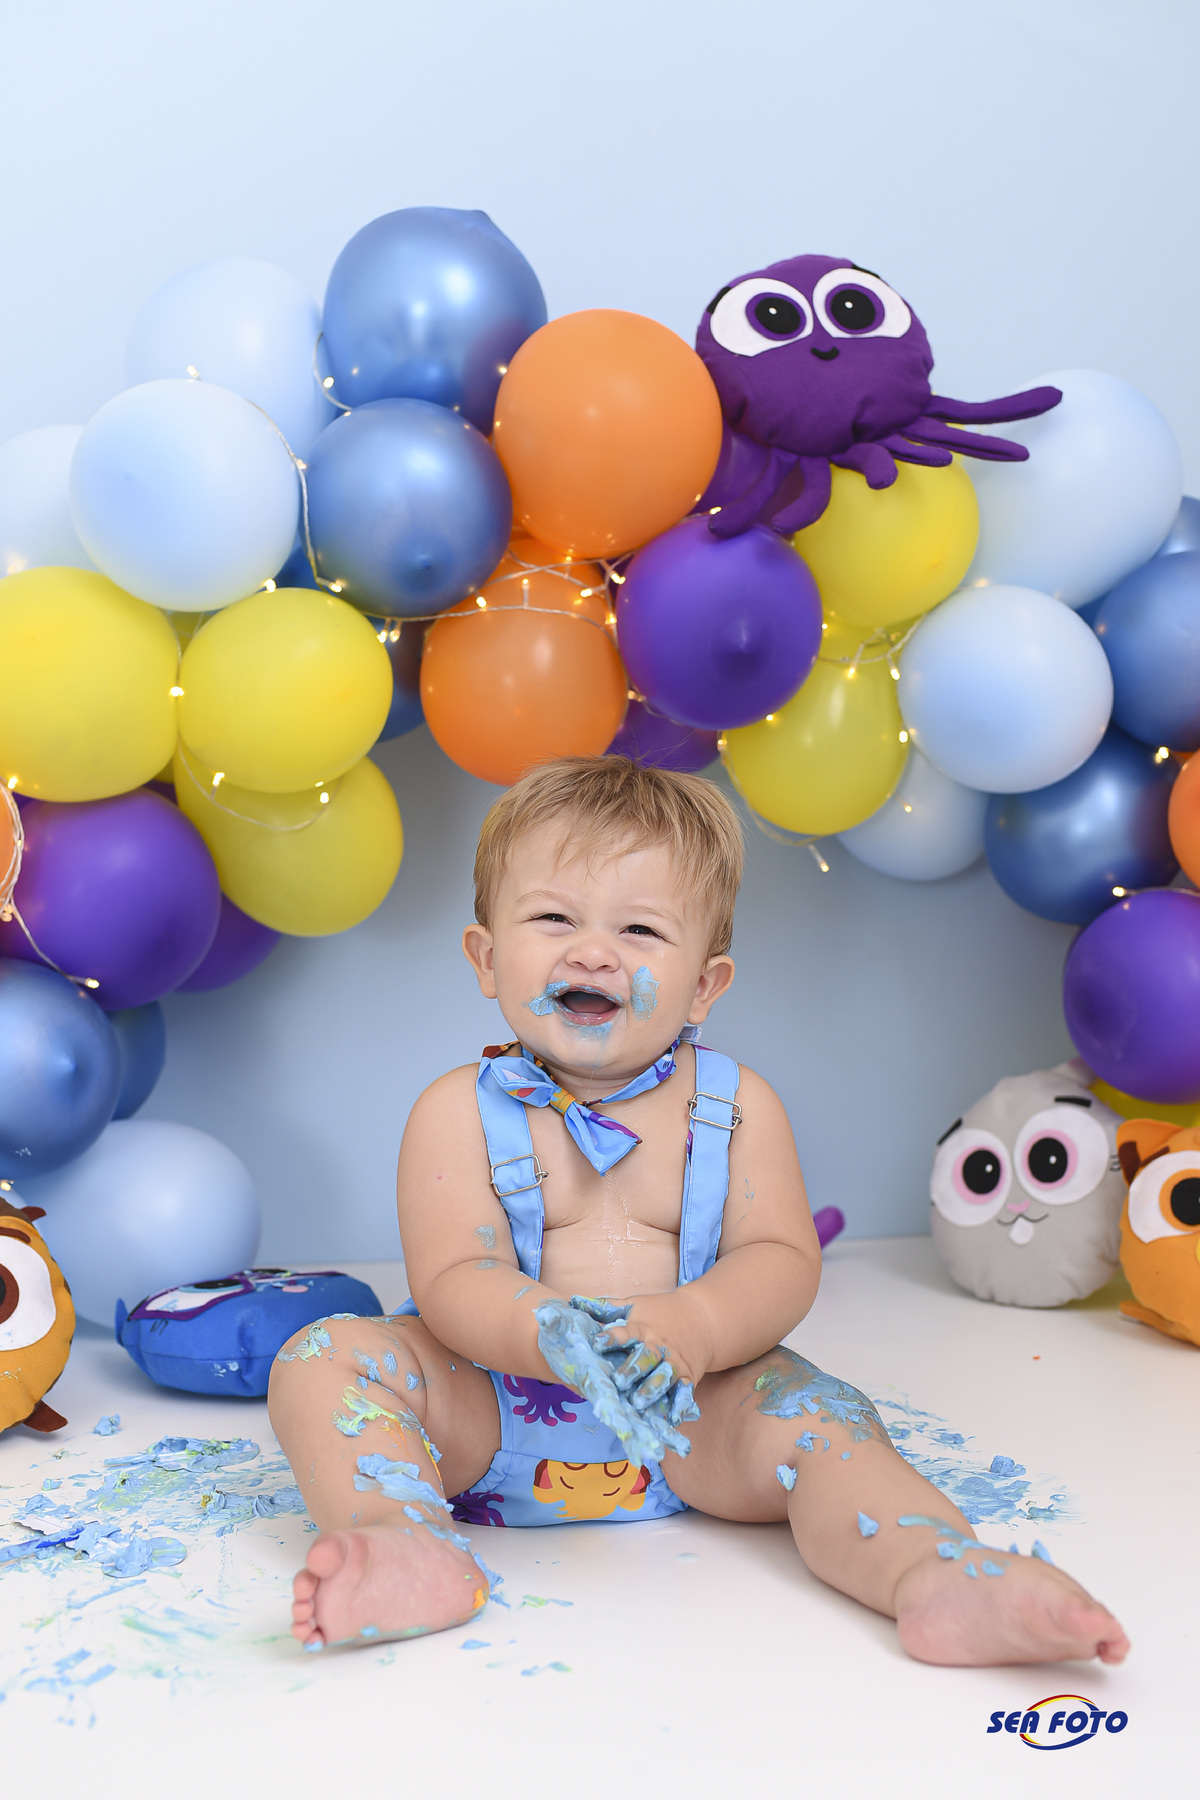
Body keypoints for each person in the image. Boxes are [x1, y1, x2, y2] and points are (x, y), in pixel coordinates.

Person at [269, 756, 1129, 1665]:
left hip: (694, 1416)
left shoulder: (736, 1106)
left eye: (640, 929)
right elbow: (453, 1275)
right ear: (487, 958)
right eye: (554, 918)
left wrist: (697, 1324)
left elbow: (779, 1257)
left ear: (705, 985)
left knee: (822, 1416)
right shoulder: (456, 1111)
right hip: (488, 1409)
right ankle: (403, 1540)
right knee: (323, 1358)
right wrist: (547, 1333)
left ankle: (933, 1570)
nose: (592, 953)